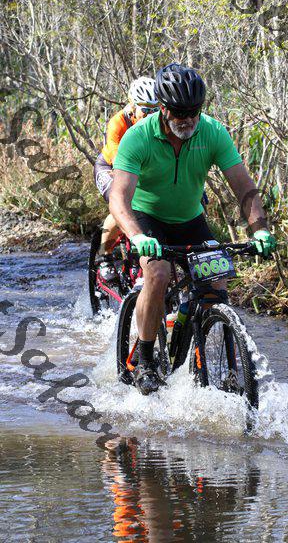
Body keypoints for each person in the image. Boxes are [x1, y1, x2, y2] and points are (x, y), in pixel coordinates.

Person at [109, 63, 276, 395]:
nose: (187, 119)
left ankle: (223, 363)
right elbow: (119, 198)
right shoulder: (137, 137)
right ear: (163, 108)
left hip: (190, 219)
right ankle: (145, 359)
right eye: (180, 112)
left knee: (217, 281)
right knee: (158, 275)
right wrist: (138, 236)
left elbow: (244, 187)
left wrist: (259, 228)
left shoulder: (212, 132)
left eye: (194, 112)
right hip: (148, 218)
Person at [93, 77, 158, 280]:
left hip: (141, 168)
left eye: (156, 109)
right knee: (120, 204)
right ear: (133, 105)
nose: (151, 115)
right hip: (109, 167)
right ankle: (104, 255)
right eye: (145, 110)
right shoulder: (118, 123)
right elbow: (117, 159)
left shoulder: (158, 124)